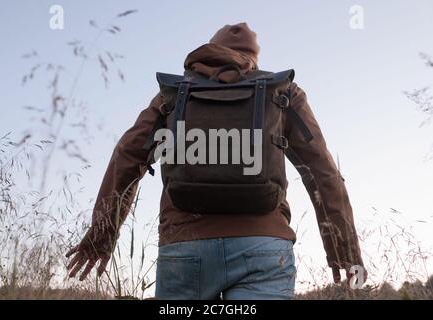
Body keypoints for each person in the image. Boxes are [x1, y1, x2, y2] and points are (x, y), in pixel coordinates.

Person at [66, 22, 366, 300]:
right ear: (254, 58)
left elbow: (128, 155)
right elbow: (320, 169)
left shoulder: (174, 93)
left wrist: (101, 237)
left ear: (211, 51)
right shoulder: (282, 92)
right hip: (263, 245)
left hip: (185, 246)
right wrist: (344, 250)